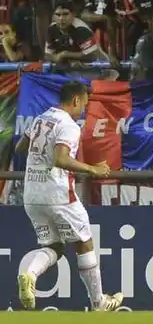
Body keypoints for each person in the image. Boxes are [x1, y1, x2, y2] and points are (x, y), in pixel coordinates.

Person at [15, 81, 122, 311]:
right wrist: (92, 169)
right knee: (84, 241)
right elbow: (60, 159)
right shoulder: (69, 126)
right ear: (76, 100)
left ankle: (30, 274)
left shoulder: (40, 118)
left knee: (54, 246)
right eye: (84, 103)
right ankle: (99, 303)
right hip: (59, 194)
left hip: (32, 194)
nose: (84, 109)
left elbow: (21, 147)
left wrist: (40, 150)